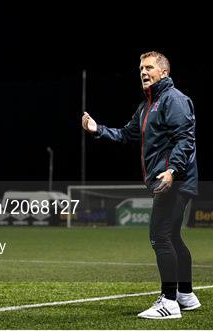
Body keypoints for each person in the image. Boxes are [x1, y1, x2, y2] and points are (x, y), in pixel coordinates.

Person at [82, 51, 200, 319]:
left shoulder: (175, 100)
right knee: (172, 237)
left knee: (159, 236)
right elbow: (126, 134)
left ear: (164, 73)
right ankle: (186, 295)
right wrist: (97, 129)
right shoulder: (146, 106)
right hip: (169, 178)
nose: (143, 72)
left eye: (148, 67)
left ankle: (169, 301)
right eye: (140, 69)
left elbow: (185, 139)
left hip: (174, 180)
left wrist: (172, 170)